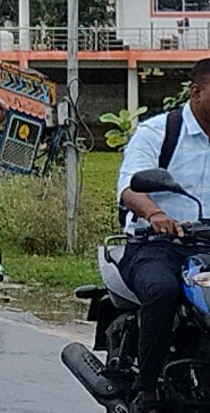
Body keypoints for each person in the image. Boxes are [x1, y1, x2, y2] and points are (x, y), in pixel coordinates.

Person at [115, 58, 210, 413]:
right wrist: (155, 213)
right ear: (196, 92)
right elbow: (129, 186)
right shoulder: (157, 132)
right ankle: (147, 387)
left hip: (207, 245)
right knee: (162, 291)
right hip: (158, 245)